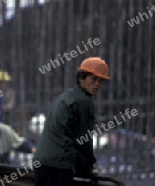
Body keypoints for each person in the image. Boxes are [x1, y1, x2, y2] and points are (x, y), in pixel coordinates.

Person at [33, 57, 110, 186]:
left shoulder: (67, 95)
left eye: (101, 80)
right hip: (59, 166)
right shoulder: (83, 102)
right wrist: (88, 167)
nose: (97, 84)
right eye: (94, 79)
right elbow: (84, 139)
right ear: (81, 78)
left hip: (42, 162)